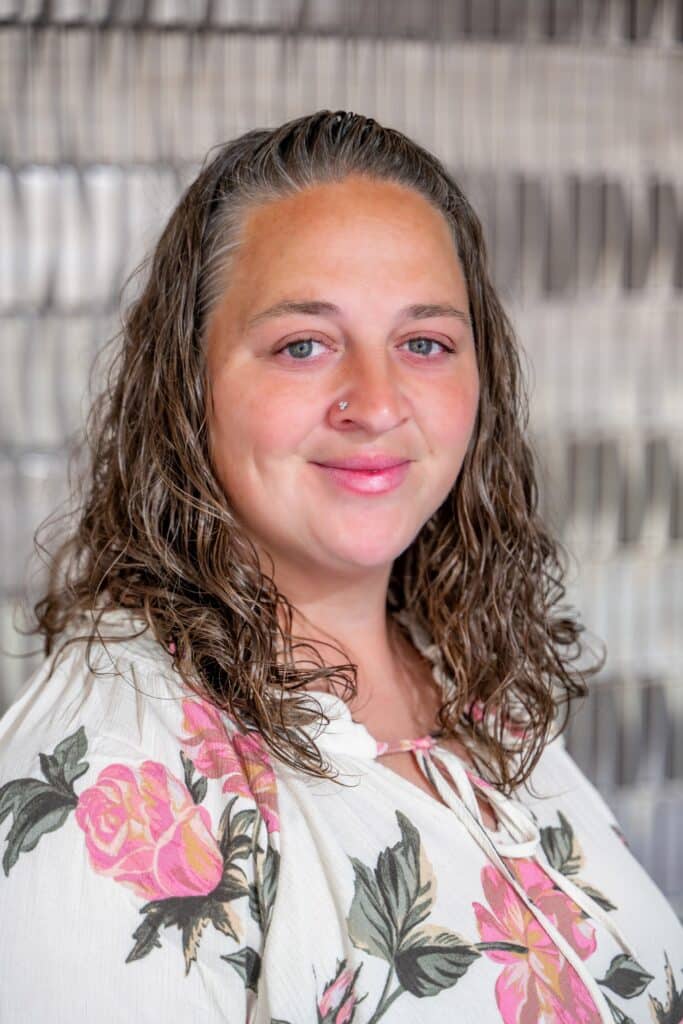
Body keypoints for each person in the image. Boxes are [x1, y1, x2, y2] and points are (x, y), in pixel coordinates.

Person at [0, 109, 680, 1024]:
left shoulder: (475, 687)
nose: (375, 402)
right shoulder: (104, 777)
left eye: (424, 343)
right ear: (187, 382)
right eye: (303, 345)